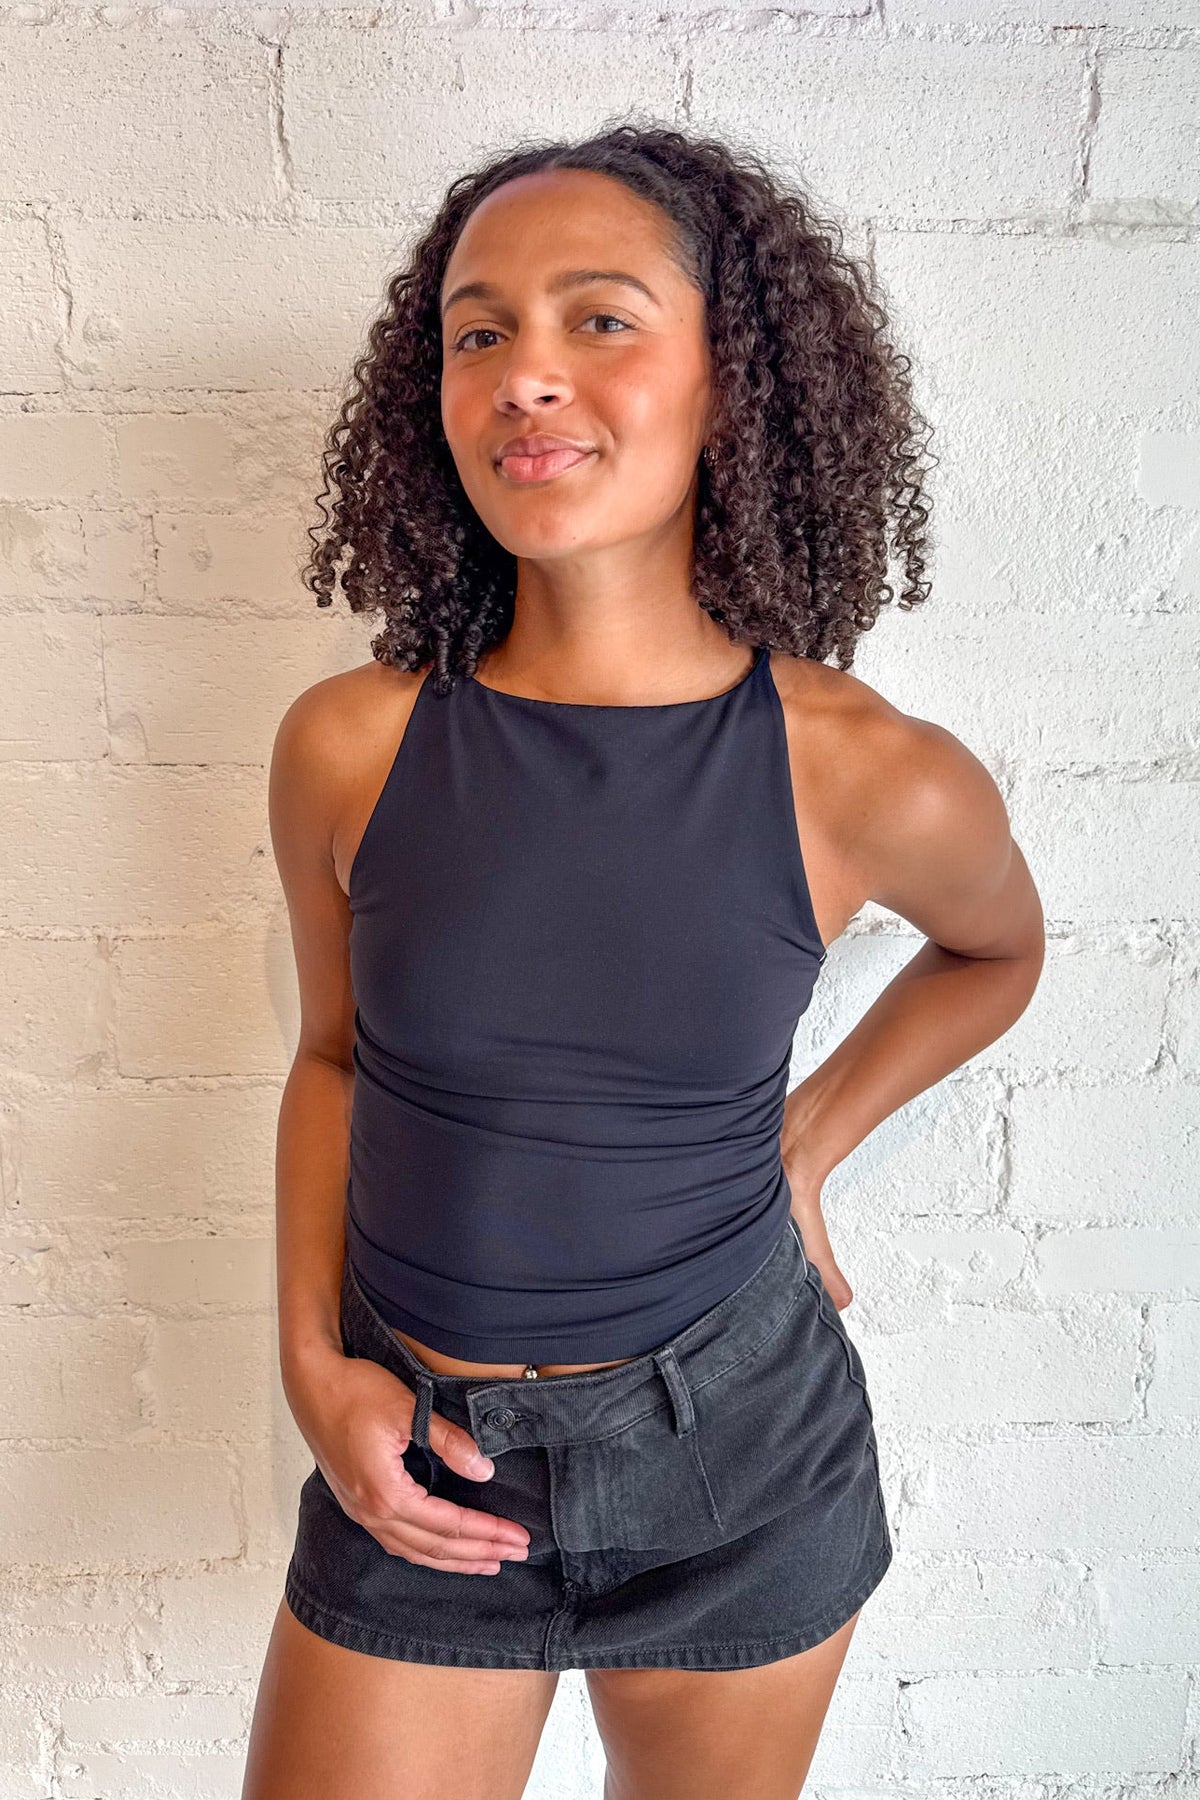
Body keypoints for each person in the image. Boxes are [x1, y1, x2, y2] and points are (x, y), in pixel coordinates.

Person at [242, 123, 1045, 1800]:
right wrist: (315, 1369)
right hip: (427, 1465)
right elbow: (334, 1060)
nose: (525, 374)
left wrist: (806, 1144)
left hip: (739, 1458)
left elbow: (997, 951)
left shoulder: (862, 771)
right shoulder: (349, 746)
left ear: (730, 379)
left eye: (598, 318)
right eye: (478, 333)